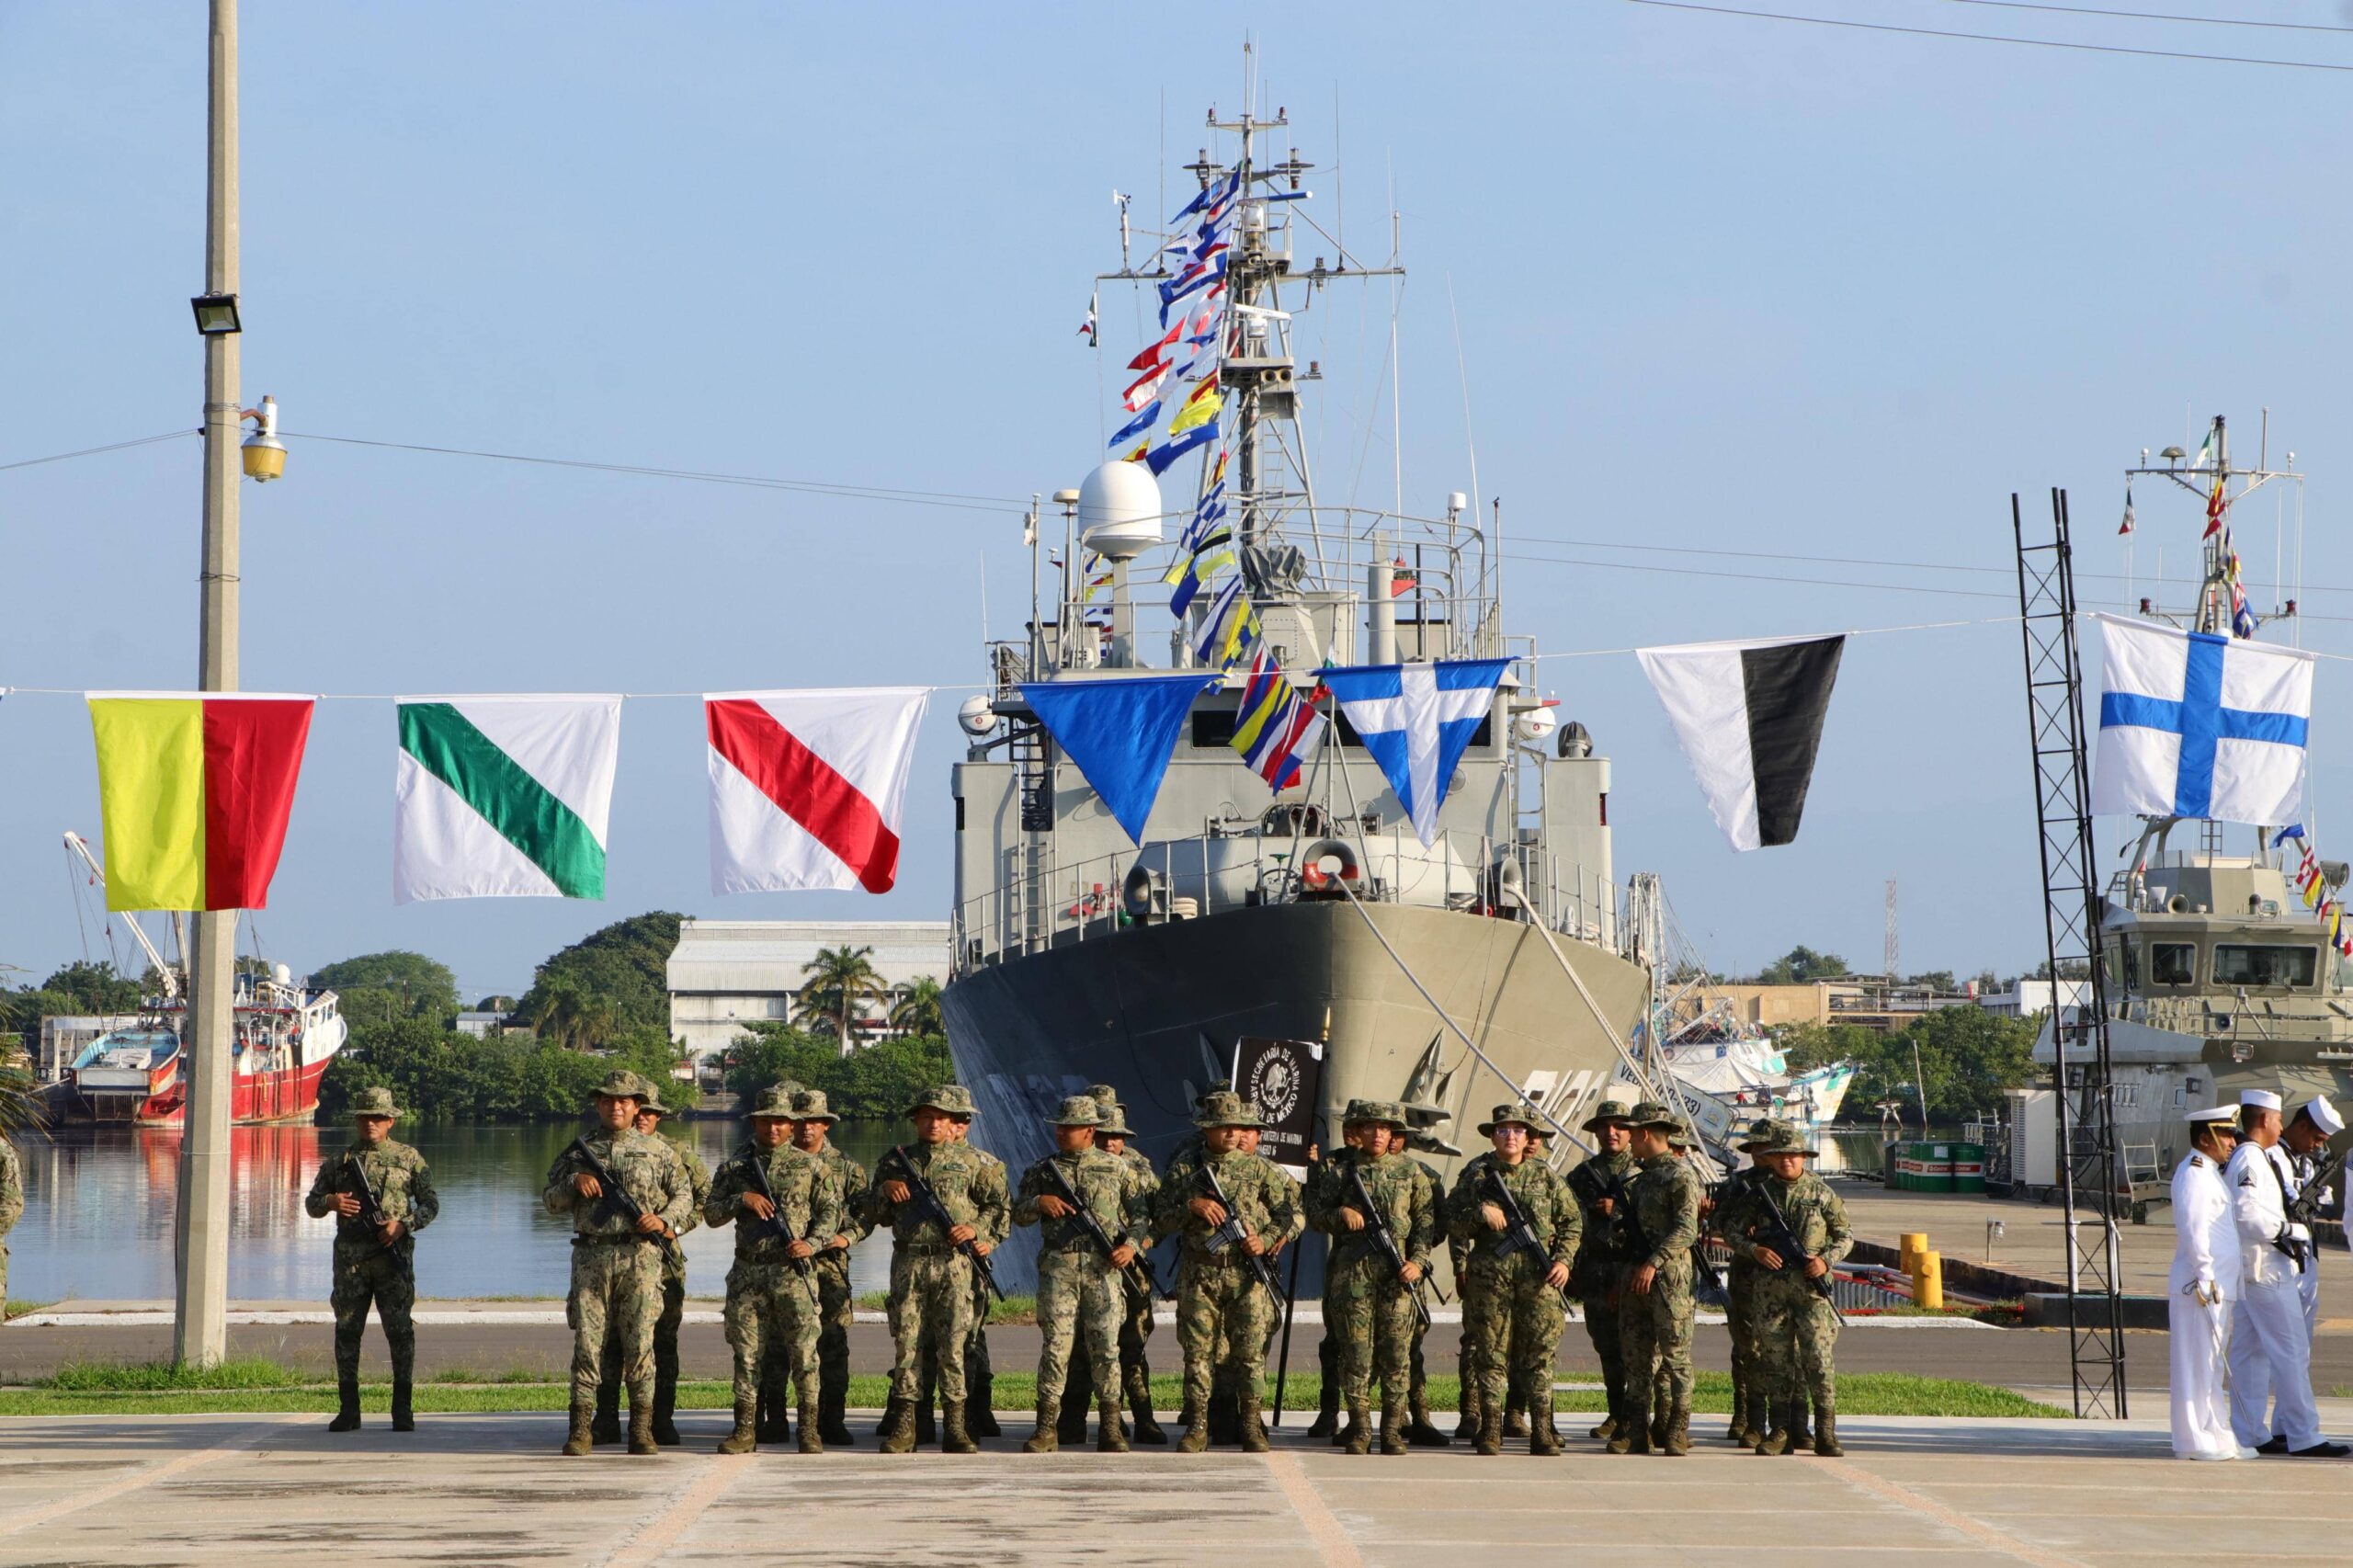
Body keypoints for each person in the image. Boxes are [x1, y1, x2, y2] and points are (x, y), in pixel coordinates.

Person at [543, 1070, 696, 1456]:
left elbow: (686, 1198)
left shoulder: (660, 1152)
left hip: (640, 1258)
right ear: (598, 1105)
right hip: (591, 1256)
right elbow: (549, 1201)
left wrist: (664, 1222)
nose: (616, 1106)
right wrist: (573, 1184)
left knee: (641, 1343)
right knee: (588, 1344)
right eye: (608, 1100)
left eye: (624, 1101)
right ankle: (581, 1429)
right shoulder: (579, 1152)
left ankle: (641, 1430)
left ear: (637, 1106)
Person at [862, 1084, 1010, 1454]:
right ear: (916, 1121)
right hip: (909, 1261)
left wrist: (976, 1229)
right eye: (925, 1117)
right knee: (908, 1345)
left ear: (953, 1122)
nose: (932, 1124)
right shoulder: (896, 1162)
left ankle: (957, 1428)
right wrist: (885, 1189)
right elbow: (873, 1214)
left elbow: (1001, 1211)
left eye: (940, 1118)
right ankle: (906, 1427)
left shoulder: (979, 1163)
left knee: (954, 1346)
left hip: (954, 1263)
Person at [1154, 1090, 1303, 1451]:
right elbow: (1159, 1217)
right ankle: (1198, 1426)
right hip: (1199, 1275)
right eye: (1224, 1127)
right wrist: (1192, 1205)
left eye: (1237, 1127)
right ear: (1207, 1129)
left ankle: (1251, 1426)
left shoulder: (1260, 1169)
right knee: (1198, 1353)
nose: (1233, 1133)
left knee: (1250, 1353)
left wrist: (1266, 1239)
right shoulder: (1185, 1169)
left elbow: (1292, 1209)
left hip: (1246, 1276)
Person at [704, 1084, 842, 1454]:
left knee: (803, 1354)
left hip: (793, 1272)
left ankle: (809, 1430)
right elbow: (711, 1214)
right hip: (749, 1273)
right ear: (755, 1123)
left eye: (781, 1122)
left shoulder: (812, 1167)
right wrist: (741, 1199)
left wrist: (811, 1244)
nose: (773, 1129)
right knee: (747, 1355)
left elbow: (832, 1214)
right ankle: (745, 1430)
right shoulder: (735, 1167)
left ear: (792, 1124)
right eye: (766, 1122)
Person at [302, 1085, 438, 1434]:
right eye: (364, 1117)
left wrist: (403, 1225)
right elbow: (311, 1205)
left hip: (392, 1260)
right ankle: (349, 1410)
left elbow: (430, 1205)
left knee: (400, 1333)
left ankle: (402, 1410)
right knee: (347, 1331)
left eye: (377, 1117)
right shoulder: (340, 1162)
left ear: (391, 1120)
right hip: (351, 1262)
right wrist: (332, 1202)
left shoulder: (410, 1159)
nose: (370, 1124)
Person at [1448, 1101, 1578, 1456]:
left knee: (1539, 1355)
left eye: (1518, 1131)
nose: (1510, 1136)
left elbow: (1572, 1222)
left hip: (1539, 1282)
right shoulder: (1476, 1174)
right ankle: (1490, 1429)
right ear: (1493, 1135)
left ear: (1528, 1138)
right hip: (1490, 1282)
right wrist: (1480, 1211)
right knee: (1490, 1353)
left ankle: (1541, 1431)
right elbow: (1451, 1221)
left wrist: (1564, 1261)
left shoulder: (1546, 1176)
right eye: (1503, 1130)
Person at [1013, 1096, 1142, 1451]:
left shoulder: (1117, 1169)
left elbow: (1142, 1213)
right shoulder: (1042, 1170)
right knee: (1056, 1348)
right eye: (1059, 1126)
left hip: (1103, 1270)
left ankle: (1111, 1429)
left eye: (1069, 1127)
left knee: (1106, 1349)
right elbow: (1016, 1213)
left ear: (1090, 1130)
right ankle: (1045, 1428)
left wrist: (1131, 1245)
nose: (1061, 1132)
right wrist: (1039, 1203)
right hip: (1060, 1269)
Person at [1307, 1100, 1435, 1454]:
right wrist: (1341, 1213)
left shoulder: (1411, 1173)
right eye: (1370, 1127)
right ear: (1358, 1133)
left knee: (1396, 1357)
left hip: (1397, 1280)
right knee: (1356, 1356)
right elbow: (1315, 1214)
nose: (1377, 1134)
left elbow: (1425, 1221)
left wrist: (1419, 1261)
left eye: (1384, 1128)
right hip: (1353, 1278)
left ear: (1393, 1134)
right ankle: (1361, 1428)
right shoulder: (1341, 1173)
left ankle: (1391, 1430)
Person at [2225, 1087, 2347, 1457]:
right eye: (2278, 1119)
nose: (2280, 1125)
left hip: (2262, 1266)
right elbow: (2247, 1213)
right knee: (2291, 1350)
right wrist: (2285, 1229)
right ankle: (2304, 1434)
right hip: (2268, 1266)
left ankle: (2249, 1432)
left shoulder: (2256, 1155)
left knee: (2250, 1353)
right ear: (2266, 1119)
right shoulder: (2253, 1157)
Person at [592, 1090, 707, 1447]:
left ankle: (661, 1418)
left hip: (665, 1262)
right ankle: (606, 1417)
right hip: (617, 1259)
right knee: (609, 1340)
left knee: (662, 1342)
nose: (642, 1119)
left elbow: (703, 1200)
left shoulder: (677, 1154)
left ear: (655, 1115)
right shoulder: (604, 1149)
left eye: (649, 1113)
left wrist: (672, 1226)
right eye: (639, 1113)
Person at [1734, 1121, 1851, 1456]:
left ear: (1804, 1157)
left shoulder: (1821, 1193)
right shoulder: (1758, 1195)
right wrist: (1754, 1250)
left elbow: (1846, 1235)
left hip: (1811, 1291)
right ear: (1770, 1159)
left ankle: (1826, 1432)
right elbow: (1732, 1231)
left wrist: (1826, 1261)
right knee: (1776, 1361)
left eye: (1794, 1155)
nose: (1788, 1161)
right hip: (1771, 1293)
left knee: (1818, 1361)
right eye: (1781, 1156)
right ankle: (1780, 1430)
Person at [1610, 1101, 1700, 1457]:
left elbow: (1686, 1229)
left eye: (1631, 1133)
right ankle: (1636, 1430)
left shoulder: (1680, 1175)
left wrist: (1654, 1262)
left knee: (1675, 1357)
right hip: (1635, 1277)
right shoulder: (1638, 1177)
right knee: (1635, 1357)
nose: (1627, 1140)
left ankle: (1676, 1429)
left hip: (1668, 1280)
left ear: (1645, 1133)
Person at [790, 1087, 869, 1446]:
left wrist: (846, 1237)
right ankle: (776, 1418)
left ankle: (833, 1419)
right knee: (782, 1344)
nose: (806, 1129)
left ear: (826, 1125)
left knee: (833, 1343)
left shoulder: (847, 1167)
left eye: (814, 1122)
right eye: (800, 1122)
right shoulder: (776, 1163)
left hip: (829, 1266)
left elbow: (868, 1214)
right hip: (787, 1267)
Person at [2169, 1105, 2248, 1461]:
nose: (2233, 1142)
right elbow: (2194, 1229)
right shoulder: (2194, 1173)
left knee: (2213, 1365)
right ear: (2206, 1138)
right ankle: (2191, 1438)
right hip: (2201, 1285)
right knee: (2195, 1364)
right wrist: (2204, 1274)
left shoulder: (2211, 1173)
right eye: (2227, 1135)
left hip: (2218, 1285)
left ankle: (2216, 1433)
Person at [1091, 1091, 1166, 1444]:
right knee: (1088, 1348)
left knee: (1133, 1345)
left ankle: (1144, 1417)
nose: (1110, 1142)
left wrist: (1143, 1241)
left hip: (1132, 1269)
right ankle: (1105, 1417)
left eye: (1117, 1136)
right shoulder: (1080, 1166)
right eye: (1103, 1135)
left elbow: (1161, 1214)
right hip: (1092, 1268)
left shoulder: (1141, 1169)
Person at [1565, 1096, 1637, 1442]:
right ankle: (1616, 1411)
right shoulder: (1581, 1175)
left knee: (1638, 1349)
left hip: (1632, 1269)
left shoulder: (1644, 1172)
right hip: (1595, 1271)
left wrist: (1618, 1211)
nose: (1612, 1133)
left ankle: (1641, 1417)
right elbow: (1567, 1220)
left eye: (1620, 1127)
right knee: (1607, 1347)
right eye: (1605, 1127)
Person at [1710, 1119, 1776, 1447]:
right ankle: (1746, 1415)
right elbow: (1718, 1221)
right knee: (1745, 1348)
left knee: (1782, 1350)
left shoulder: (1794, 1183)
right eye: (1758, 1147)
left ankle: (1786, 1420)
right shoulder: (1738, 1185)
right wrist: (1740, 1230)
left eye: (1769, 1146)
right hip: (1747, 1273)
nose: (1763, 1152)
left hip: (1782, 1275)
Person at [2281, 1095, 2341, 1350]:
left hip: (2305, 1253)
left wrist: (2320, 1199)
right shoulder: (2272, 1157)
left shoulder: (2305, 1161)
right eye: (2316, 1139)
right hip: (2280, 1254)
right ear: (2302, 1126)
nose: (2317, 1146)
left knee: (2303, 1335)